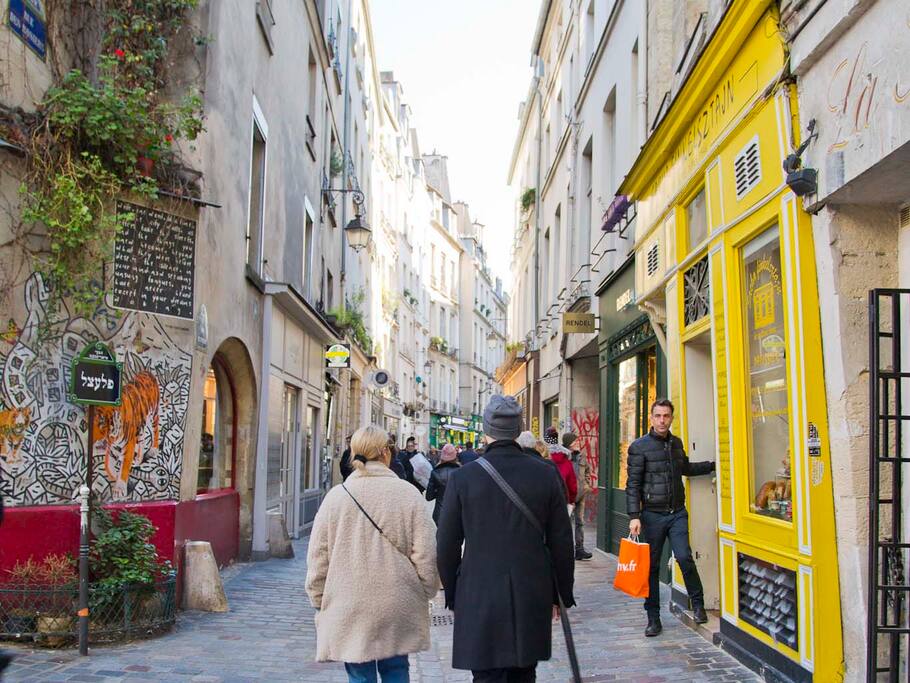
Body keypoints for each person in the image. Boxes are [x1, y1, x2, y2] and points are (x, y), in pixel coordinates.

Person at [437, 395, 575, 682]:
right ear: (518, 429)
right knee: (524, 671)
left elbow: (447, 544)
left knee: (485, 673)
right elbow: (562, 541)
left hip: (479, 588)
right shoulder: (544, 474)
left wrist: (452, 592)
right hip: (531, 587)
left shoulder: (464, 478)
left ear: (486, 430)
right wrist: (560, 592)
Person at [306, 425, 439, 682]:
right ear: (386, 453)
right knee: (397, 669)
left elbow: (319, 557)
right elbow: (426, 554)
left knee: (359, 672)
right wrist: (424, 590)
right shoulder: (408, 494)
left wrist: (319, 597)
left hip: (349, 600)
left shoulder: (336, 498)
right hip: (398, 599)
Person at [627, 398, 715, 637]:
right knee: (651, 568)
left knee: (685, 557)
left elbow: (685, 468)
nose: (662, 420)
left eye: (666, 416)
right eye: (658, 416)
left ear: (672, 418)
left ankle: (697, 605)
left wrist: (713, 466)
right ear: (651, 418)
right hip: (651, 516)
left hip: (676, 512)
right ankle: (653, 618)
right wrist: (634, 515)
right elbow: (632, 484)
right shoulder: (639, 446)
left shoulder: (676, 443)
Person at [562, 432, 593, 561]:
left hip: (580, 494)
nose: (577, 443)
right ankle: (566, 549)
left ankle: (579, 549)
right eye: (575, 442)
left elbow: (587, 471)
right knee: (566, 523)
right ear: (569, 443)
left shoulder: (581, 455)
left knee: (580, 522)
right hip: (567, 496)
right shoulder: (562, 457)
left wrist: (586, 485)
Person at [516, 431, 566, 501]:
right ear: (534, 445)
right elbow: (561, 491)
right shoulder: (549, 465)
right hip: (546, 508)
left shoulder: (514, 465)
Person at [543, 427, 578, 509]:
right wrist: (571, 500)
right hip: (562, 502)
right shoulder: (567, 460)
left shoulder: (541, 458)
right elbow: (572, 485)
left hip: (544, 502)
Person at [425, 443, 460, 524]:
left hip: (439, 514)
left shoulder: (435, 472)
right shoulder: (461, 472)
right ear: (455, 457)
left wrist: (438, 490)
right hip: (457, 515)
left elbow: (429, 497)